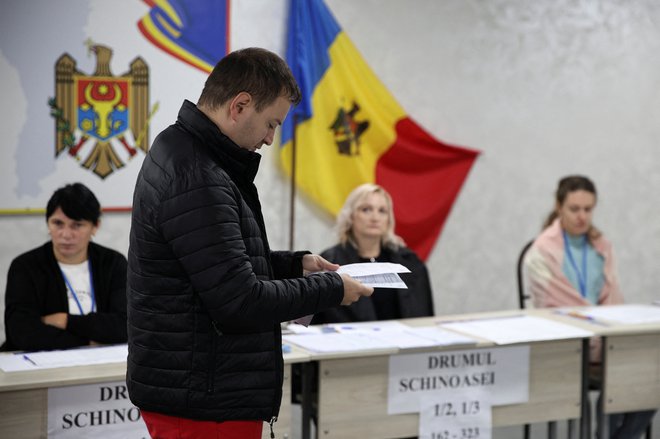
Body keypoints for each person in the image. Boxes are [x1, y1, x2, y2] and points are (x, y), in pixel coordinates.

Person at [126, 47, 373, 439]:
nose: (271, 139)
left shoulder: (185, 149)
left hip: (201, 389)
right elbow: (239, 302)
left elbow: (213, 267)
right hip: (204, 402)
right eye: (271, 124)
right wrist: (331, 289)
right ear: (240, 106)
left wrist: (294, 265)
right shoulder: (198, 176)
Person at [524, 175, 655, 439]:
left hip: (606, 343)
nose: (582, 216)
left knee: (650, 370)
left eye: (588, 209)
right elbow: (557, 309)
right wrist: (606, 322)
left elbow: (614, 299)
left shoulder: (602, 246)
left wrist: (612, 325)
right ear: (559, 206)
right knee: (622, 371)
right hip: (565, 347)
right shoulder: (540, 252)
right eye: (574, 209)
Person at [2, 182, 127, 351]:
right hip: (37, 365)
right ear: (48, 224)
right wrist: (87, 341)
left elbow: (125, 325)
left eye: (77, 225)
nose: (66, 235)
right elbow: (21, 333)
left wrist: (65, 320)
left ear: (95, 226)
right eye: (58, 223)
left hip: (100, 364)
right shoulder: (25, 266)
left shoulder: (113, 263)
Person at [311, 183, 434, 324]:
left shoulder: (410, 263)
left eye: (382, 211)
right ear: (350, 216)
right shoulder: (330, 262)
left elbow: (425, 319)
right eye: (366, 209)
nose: (375, 217)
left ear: (389, 220)